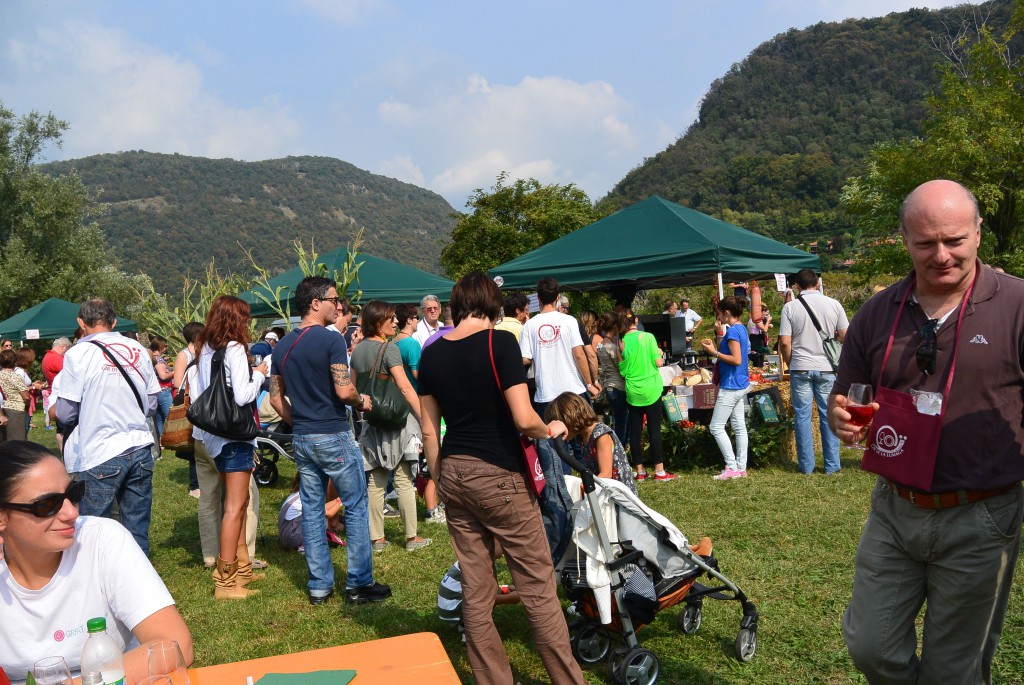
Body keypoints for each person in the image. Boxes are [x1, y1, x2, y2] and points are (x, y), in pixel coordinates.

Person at [828, 180, 1024, 684]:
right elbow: (845, 393)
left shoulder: (1017, 306)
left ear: (979, 233)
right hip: (894, 509)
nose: (941, 255)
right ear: (904, 240)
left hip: (982, 514)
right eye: (925, 243)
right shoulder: (878, 311)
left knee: (954, 668)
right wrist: (840, 414)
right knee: (870, 645)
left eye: (955, 240)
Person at [418, 270, 587, 685]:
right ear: (492, 305)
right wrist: (552, 429)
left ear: (457, 306)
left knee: (476, 589)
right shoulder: (501, 342)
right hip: (500, 475)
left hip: (455, 469)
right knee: (537, 584)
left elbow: (427, 430)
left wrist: (438, 481)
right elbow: (523, 417)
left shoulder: (432, 353)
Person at [0, 440, 194, 684]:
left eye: (73, 494)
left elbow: (175, 644)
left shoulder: (102, 540)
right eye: (46, 505)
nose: (71, 513)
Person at [269, 276, 390, 606]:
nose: (338, 305)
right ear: (315, 303)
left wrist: (301, 424)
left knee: (311, 509)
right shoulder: (331, 339)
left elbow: (277, 400)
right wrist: (361, 399)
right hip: (333, 433)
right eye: (333, 300)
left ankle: (320, 586)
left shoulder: (281, 346)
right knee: (355, 505)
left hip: (304, 438)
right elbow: (342, 389)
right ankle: (359, 583)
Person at [55, 299, 161, 555]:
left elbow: (66, 412)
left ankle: (98, 582)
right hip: (139, 444)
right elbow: (152, 403)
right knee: (136, 523)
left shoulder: (77, 354)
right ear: (114, 322)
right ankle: (138, 582)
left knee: (94, 527)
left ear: (81, 322)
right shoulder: (137, 349)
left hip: (101, 448)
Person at [190, 296, 268, 600]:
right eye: (245, 318)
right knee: (235, 508)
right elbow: (242, 396)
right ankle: (225, 580)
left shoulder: (206, 349)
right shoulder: (234, 349)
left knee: (233, 506)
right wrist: (260, 373)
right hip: (235, 437)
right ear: (237, 320)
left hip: (213, 436)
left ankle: (242, 570)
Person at [350, 300, 431, 553]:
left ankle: (377, 539)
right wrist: (423, 418)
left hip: (372, 421)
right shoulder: (389, 349)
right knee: (404, 479)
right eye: (391, 318)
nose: (396, 322)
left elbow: (354, 390)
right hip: (397, 421)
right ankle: (411, 537)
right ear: (378, 321)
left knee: (375, 481)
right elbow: (405, 387)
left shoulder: (358, 351)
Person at [779, 268, 849, 475]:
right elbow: (846, 335)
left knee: (802, 416)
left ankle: (806, 466)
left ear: (797, 286)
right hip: (827, 366)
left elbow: (784, 342)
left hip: (800, 366)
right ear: (817, 283)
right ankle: (832, 465)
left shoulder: (790, 308)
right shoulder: (834, 304)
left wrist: (791, 362)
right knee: (828, 415)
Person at [519, 277, 599, 416]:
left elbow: (525, 359)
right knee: (579, 434)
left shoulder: (529, 325)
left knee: (553, 436)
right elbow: (579, 354)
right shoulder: (569, 321)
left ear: (538, 298)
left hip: (546, 393)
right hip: (573, 390)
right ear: (558, 297)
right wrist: (589, 384)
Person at [619, 312, 676, 482]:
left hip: (633, 391)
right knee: (654, 430)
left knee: (635, 433)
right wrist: (659, 352)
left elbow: (622, 369)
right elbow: (658, 363)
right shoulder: (648, 337)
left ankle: (640, 472)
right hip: (651, 389)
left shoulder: (620, 342)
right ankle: (659, 471)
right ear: (636, 321)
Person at [700, 297, 752, 480]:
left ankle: (731, 466)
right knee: (739, 426)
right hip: (740, 383)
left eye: (719, 313)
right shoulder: (740, 328)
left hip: (731, 385)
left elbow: (736, 359)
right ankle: (741, 467)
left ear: (726, 313)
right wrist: (719, 336)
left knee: (716, 427)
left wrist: (714, 352)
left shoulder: (733, 333)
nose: (718, 316)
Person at [545, 391, 637, 494]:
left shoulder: (601, 435)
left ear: (568, 418)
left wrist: (584, 488)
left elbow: (606, 474)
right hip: (605, 492)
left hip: (620, 497)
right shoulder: (582, 437)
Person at [171, 322, 203, 499]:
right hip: (189, 403)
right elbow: (178, 382)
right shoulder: (184, 355)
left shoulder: (201, 352)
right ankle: (194, 485)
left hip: (199, 402)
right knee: (192, 446)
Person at [278, 474, 345, 552]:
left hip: (287, 533)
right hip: (291, 537)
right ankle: (304, 546)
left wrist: (339, 499)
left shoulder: (299, 494)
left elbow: (325, 507)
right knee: (321, 519)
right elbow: (329, 513)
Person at [595, 312, 629, 447]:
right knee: (621, 422)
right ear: (615, 325)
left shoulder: (600, 344)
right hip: (618, 386)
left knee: (616, 419)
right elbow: (621, 367)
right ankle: (619, 451)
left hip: (609, 386)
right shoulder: (611, 347)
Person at [0, 350, 30, 442]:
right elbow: (26, 396)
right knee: (18, 442)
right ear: (14, 362)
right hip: (16, 410)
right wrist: (27, 406)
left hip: (3, 407)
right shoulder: (15, 376)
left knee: (6, 440)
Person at [149, 334, 175, 440]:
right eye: (165, 346)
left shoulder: (152, 357)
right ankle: (171, 438)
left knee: (159, 417)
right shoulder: (158, 359)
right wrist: (173, 373)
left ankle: (161, 439)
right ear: (160, 346)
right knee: (169, 415)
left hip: (158, 391)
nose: (166, 348)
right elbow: (163, 376)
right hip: (163, 391)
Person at [747, 304, 772, 368]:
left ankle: (758, 371)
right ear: (761, 312)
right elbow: (764, 330)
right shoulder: (757, 320)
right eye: (764, 312)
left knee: (759, 358)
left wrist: (767, 324)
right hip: (756, 340)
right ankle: (758, 372)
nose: (765, 314)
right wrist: (768, 321)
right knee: (758, 359)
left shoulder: (753, 319)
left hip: (755, 339)